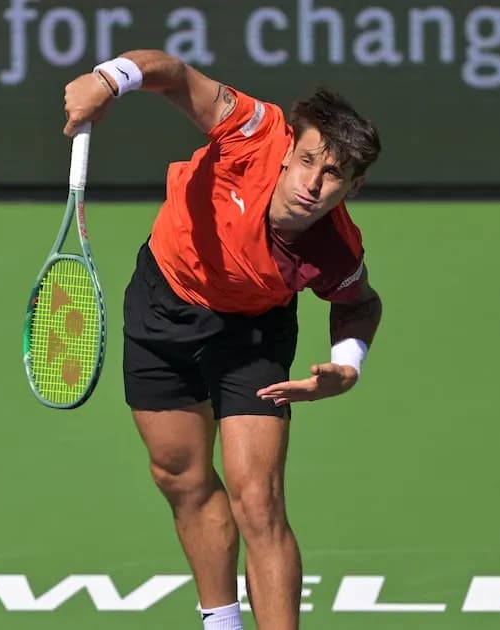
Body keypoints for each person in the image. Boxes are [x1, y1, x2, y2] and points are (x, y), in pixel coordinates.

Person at [62, 49, 384, 630]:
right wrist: (108, 80)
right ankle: (221, 622)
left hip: (253, 335)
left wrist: (348, 363)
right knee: (179, 476)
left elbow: (360, 305)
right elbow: (173, 74)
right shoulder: (253, 129)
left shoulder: (335, 249)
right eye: (308, 160)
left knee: (259, 501)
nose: (313, 183)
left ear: (353, 187)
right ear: (289, 150)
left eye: (333, 174)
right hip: (164, 304)